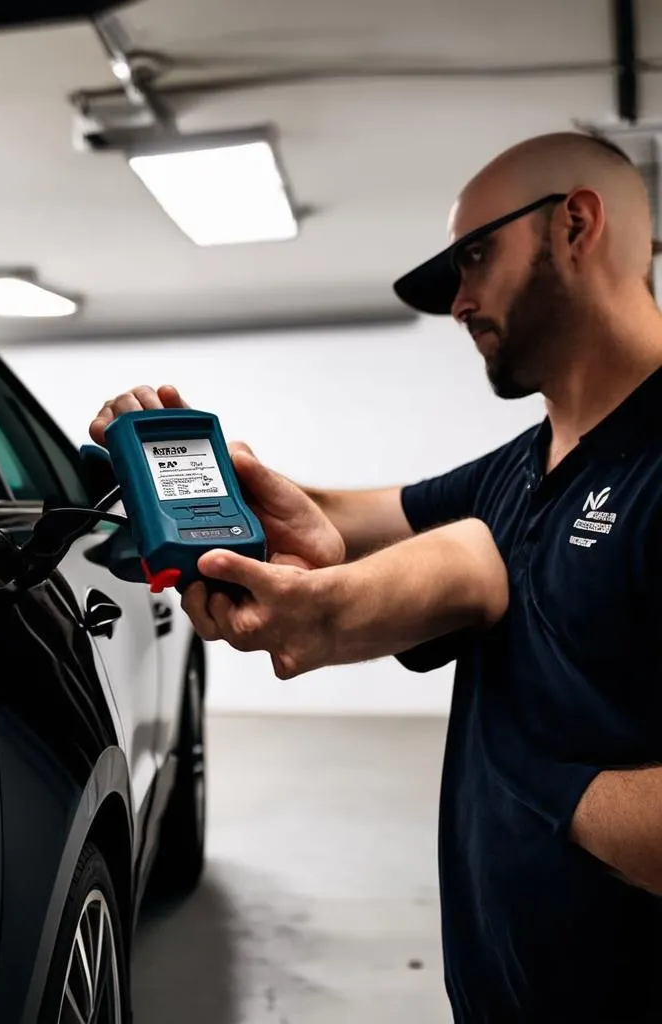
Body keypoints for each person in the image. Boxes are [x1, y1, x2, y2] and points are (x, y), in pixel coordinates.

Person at [89, 132, 662, 1022]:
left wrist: (520, 771)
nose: (460, 301)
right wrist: (200, 479)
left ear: (577, 225)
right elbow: (347, 519)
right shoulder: (525, 468)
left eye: (476, 255)